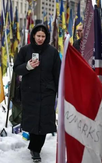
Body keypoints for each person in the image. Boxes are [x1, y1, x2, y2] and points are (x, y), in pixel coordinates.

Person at [14, 24, 61, 162]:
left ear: (46, 37)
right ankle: (35, 148)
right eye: (38, 36)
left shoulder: (52, 52)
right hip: (30, 92)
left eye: (43, 36)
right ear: (33, 36)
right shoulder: (24, 50)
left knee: (45, 122)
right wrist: (28, 66)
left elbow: (57, 73)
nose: (40, 39)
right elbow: (17, 68)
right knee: (33, 121)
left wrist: (59, 91)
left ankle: (36, 148)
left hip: (47, 92)